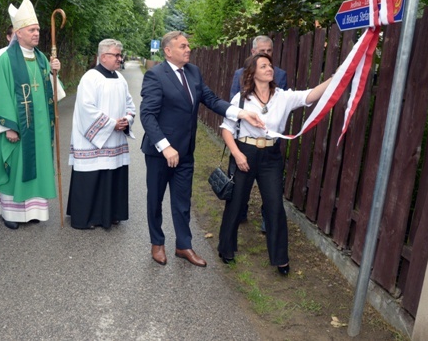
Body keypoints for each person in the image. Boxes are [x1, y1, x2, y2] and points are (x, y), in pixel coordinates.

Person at [140, 31, 263, 267]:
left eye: (188, 46)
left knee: (182, 200)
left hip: (185, 152)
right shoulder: (155, 75)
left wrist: (241, 113)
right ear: (168, 51)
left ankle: (183, 246)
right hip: (160, 153)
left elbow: (212, 99)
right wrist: (165, 146)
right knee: (155, 200)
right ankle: (157, 243)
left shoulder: (193, 72)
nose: (188, 50)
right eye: (183, 46)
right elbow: (147, 115)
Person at [217, 53, 332, 274]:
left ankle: (280, 258)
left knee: (274, 205)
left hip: (271, 156)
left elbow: (310, 95)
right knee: (236, 202)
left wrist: (334, 79)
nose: (270, 68)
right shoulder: (241, 99)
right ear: (252, 72)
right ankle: (226, 248)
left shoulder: (282, 97)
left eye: (270, 65)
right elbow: (226, 129)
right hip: (245, 152)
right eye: (264, 66)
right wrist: (237, 154)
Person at [0, 0, 63, 230]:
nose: (37, 33)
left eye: (38, 29)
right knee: (16, 166)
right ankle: (11, 212)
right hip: (17, 127)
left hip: (39, 127)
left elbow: (52, 91)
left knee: (38, 164)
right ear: (18, 32)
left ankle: (34, 210)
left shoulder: (42, 58)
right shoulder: (6, 60)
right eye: (32, 29)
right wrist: (9, 126)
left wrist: (54, 73)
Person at [67, 39, 135, 229]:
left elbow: (130, 105)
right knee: (93, 178)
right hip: (92, 141)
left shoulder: (120, 79)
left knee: (112, 176)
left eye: (120, 55)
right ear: (104, 56)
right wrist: (112, 124)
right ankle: (88, 218)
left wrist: (127, 120)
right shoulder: (90, 78)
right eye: (117, 55)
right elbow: (86, 109)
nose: (120, 59)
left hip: (115, 140)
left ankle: (111, 214)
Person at [230, 35, 288, 229]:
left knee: (271, 187)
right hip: (245, 138)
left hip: (270, 139)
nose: (265, 54)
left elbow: (282, 103)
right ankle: (240, 213)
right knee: (240, 184)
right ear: (253, 52)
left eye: (269, 51)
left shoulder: (280, 74)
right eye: (261, 51)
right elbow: (233, 104)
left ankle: (267, 219)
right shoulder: (240, 73)